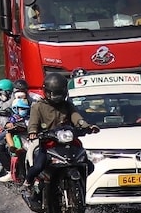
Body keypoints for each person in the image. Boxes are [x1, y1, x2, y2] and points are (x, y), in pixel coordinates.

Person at [22, 73, 99, 203]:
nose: (57, 97)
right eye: (54, 93)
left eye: (60, 93)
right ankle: (28, 183)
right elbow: (33, 123)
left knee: (89, 165)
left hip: (68, 142)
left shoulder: (67, 105)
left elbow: (77, 118)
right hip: (48, 143)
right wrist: (33, 132)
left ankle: (78, 188)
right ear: (46, 92)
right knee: (38, 165)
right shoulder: (38, 106)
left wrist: (87, 126)